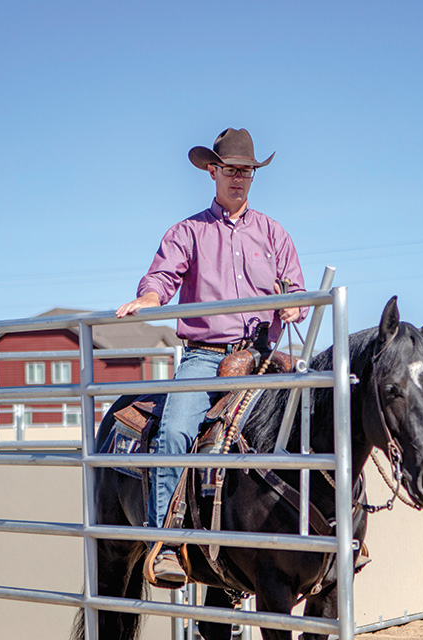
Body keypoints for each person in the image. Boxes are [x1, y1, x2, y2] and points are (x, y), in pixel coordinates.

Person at [116, 127, 306, 588]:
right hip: (206, 356)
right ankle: (164, 544)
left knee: (314, 416)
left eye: (246, 172)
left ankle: (325, 532)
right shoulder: (188, 232)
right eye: (231, 170)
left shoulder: (274, 233)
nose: (238, 179)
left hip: (263, 357)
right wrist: (149, 297)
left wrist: (294, 304)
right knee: (177, 428)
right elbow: (163, 276)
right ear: (212, 171)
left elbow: (297, 291)